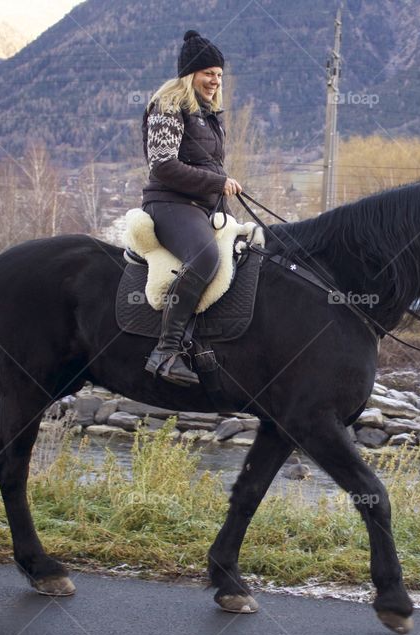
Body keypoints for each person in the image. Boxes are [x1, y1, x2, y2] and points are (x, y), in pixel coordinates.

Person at [140, 30, 243, 385]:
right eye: (208, 73)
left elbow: (207, 165)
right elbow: (163, 164)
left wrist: (225, 205)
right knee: (204, 258)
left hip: (203, 206)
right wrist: (217, 183)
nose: (215, 81)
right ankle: (167, 351)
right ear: (190, 74)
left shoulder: (209, 114)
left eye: (219, 74)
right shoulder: (167, 106)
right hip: (168, 203)